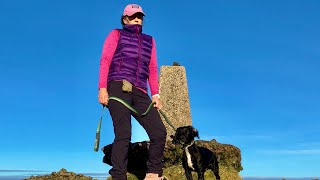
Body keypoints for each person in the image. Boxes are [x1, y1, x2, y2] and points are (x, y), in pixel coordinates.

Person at [97, 4, 167, 180]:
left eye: (140, 16)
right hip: (117, 86)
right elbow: (105, 60)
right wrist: (102, 88)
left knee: (159, 132)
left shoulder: (150, 40)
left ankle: (153, 173)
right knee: (123, 134)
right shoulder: (116, 34)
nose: (138, 18)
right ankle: (119, 176)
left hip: (141, 91)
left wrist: (156, 94)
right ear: (125, 18)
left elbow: (152, 68)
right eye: (134, 15)